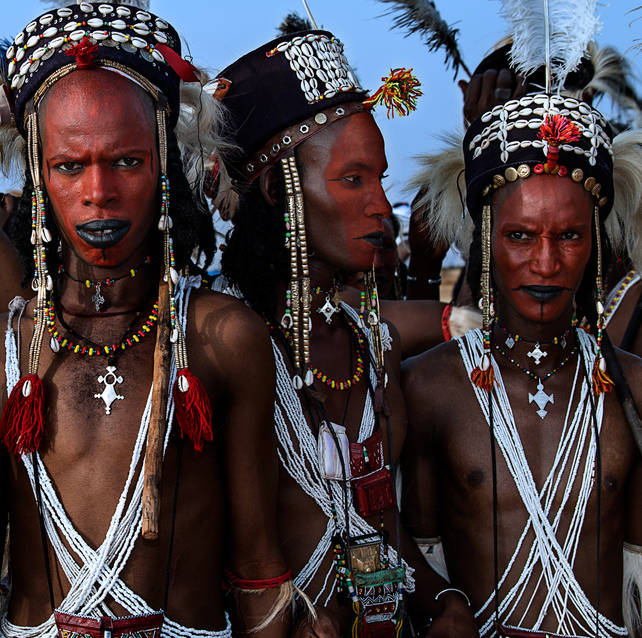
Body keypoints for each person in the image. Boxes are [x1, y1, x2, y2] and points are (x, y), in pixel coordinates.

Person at [0, 4, 292, 637]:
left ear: (164, 165)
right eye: (68, 165)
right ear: (38, 173)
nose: (98, 191)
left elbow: (257, 566)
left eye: (127, 162)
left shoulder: (224, 340)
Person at [212, 29, 477, 637]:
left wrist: (441, 600)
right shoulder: (217, 344)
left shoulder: (370, 345)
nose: (382, 205)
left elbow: (374, 521)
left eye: (380, 178)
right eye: (353, 179)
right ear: (278, 191)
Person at [401, 71, 642, 637]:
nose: (546, 262)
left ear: (596, 244)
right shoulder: (430, 388)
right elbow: (413, 553)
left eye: (570, 236)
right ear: (485, 239)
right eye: (520, 235)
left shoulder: (632, 389)